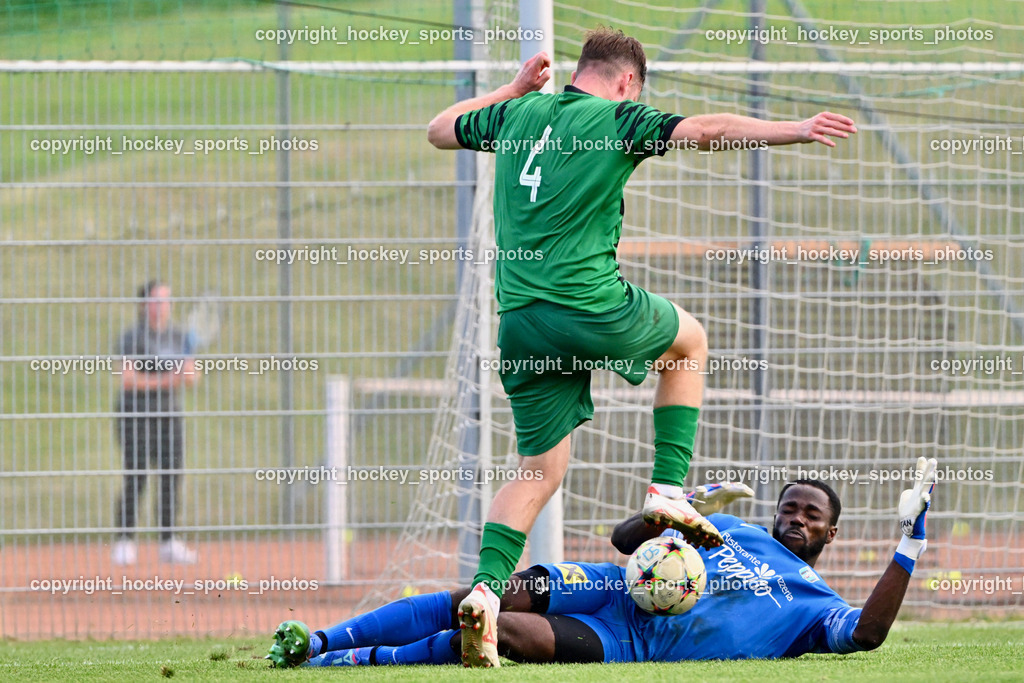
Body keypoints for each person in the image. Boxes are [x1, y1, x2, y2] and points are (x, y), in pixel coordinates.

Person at [425, 27, 858, 665]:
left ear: (581, 69)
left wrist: (514, 87)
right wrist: (793, 129)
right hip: (586, 306)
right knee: (689, 342)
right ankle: (666, 489)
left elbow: (440, 129)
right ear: (628, 80)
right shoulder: (619, 118)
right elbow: (707, 132)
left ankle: (487, 593)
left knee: (537, 471)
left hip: (520, 319)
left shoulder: (517, 112)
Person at [265, 458, 936, 667]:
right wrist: (682, 506)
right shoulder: (728, 529)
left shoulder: (818, 610)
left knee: (506, 636)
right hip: (615, 584)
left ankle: (344, 664)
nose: (795, 516)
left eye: (810, 514)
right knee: (490, 595)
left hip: (632, 641)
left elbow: (867, 635)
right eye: (790, 505)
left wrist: (907, 545)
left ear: (831, 533)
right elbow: (624, 539)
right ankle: (322, 637)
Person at [111, 280, 199, 565]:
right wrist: (166, 380)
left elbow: (192, 376)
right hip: (135, 415)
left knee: (171, 476)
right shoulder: (132, 337)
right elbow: (127, 379)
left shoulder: (179, 336)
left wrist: (185, 374)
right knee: (135, 476)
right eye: (156, 300)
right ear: (143, 305)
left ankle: (168, 540)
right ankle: (125, 541)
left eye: (166, 300)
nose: (162, 306)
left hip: (168, 415)